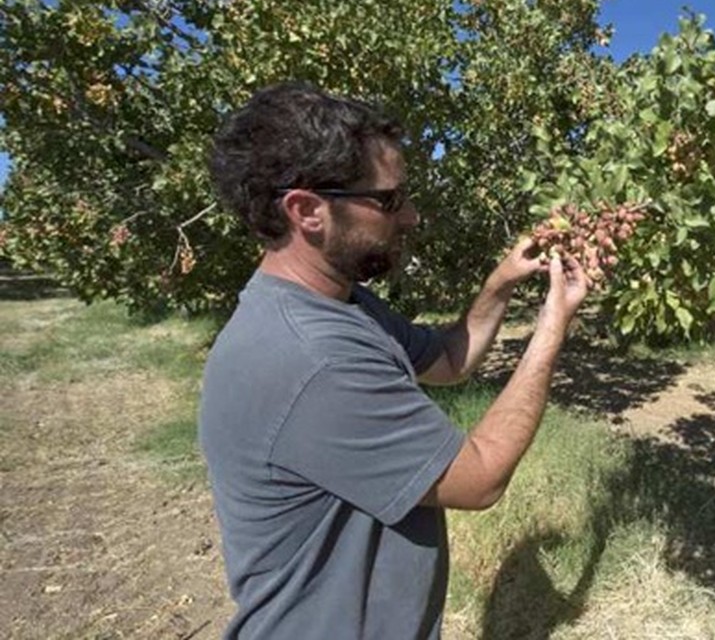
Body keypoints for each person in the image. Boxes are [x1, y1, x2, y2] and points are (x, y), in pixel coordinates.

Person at [199, 81, 589, 639]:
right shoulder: (312, 359)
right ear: (308, 211)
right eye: (388, 200)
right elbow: (480, 480)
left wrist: (502, 282)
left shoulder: (339, 305)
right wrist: (554, 324)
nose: (409, 217)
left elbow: (450, 362)